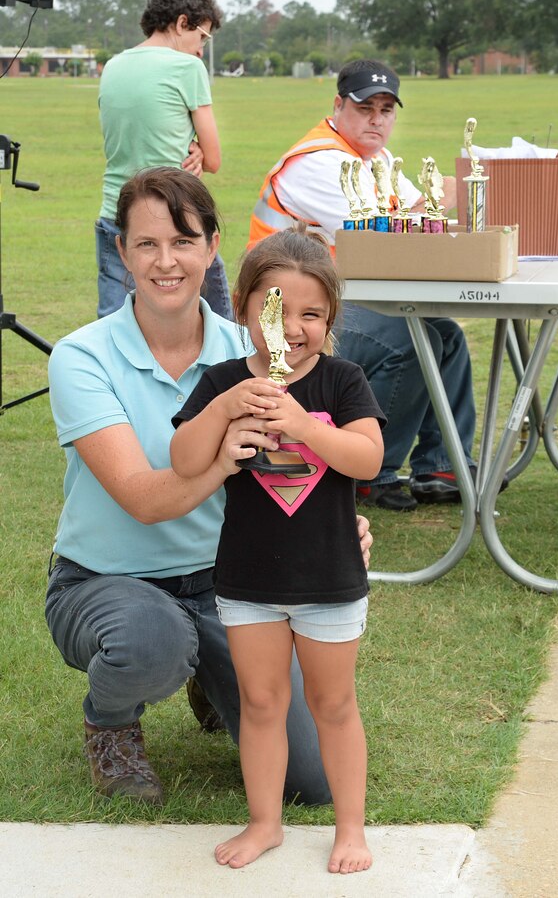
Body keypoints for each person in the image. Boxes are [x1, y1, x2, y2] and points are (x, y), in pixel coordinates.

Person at [46, 166, 372, 807]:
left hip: (235, 584)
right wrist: (223, 452)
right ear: (121, 250)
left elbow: (315, 453)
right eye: (146, 244)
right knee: (153, 639)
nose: (166, 261)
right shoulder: (82, 356)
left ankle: (207, 674)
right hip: (108, 580)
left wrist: (336, 526)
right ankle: (111, 726)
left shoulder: (252, 347)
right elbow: (143, 498)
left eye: (184, 241)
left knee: (311, 780)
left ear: (213, 246)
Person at [170, 227, 383, 872]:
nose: (291, 328)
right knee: (261, 704)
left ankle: (351, 829)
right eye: (273, 311)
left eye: (311, 314)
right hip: (247, 580)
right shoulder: (224, 380)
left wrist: (298, 425)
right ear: (242, 309)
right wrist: (227, 410)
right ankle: (265, 823)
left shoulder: (342, 381)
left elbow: (368, 459)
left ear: (330, 319)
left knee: (334, 705)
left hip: (329, 579)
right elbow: (183, 460)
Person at [248, 58, 478, 512]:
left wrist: (452, 200)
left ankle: (441, 466)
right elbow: (397, 228)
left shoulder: (374, 159)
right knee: (409, 341)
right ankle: (373, 470)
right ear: (338, 106)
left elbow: (422, 215)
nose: (377, 119)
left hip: (329, 308)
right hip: (285, 324)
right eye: (365, 107)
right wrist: (464, 192)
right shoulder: (320, 162)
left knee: (445, 333)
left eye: (386, 110)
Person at [96, 0, 232, 320]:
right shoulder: (188, 67)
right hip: (174, 213)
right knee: (220, 323)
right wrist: (198, 148)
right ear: (182, 22)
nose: (201, 50)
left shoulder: (114, 65)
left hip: (114, 212)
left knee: (114, 322)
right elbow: (212, 159)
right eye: (202, 37)